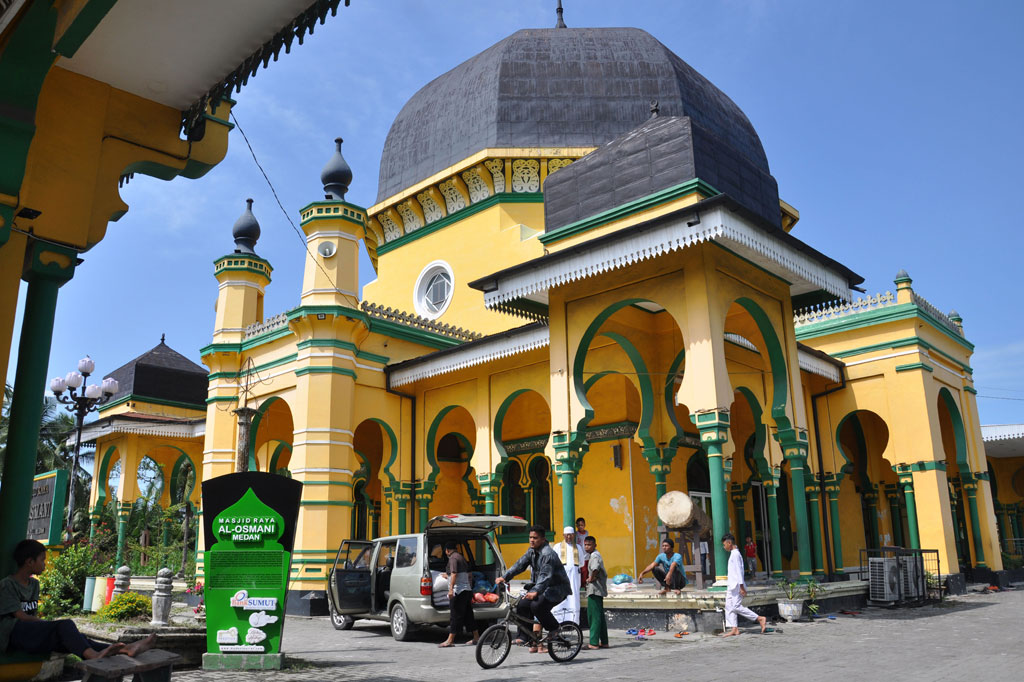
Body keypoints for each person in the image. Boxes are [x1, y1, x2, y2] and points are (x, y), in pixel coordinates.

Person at [0, 540, 156, 660]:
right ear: (29, 562)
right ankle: (94, 656)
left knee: (76, 637)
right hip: (13, 634)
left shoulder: (34, 584)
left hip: (30, 632)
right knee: (65, 625)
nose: (45, 564)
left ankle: (125, 649)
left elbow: (31, 617)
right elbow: (21, 617)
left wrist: (46, 626)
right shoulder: (8, 584)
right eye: (42, 560)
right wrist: (47, 625)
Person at [495, 525, 571, 654]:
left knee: (537, 606)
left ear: (542, 539)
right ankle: (525, 637)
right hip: (542, 587)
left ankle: (554, 630)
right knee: (523, 604)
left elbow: (545, 576)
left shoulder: (548, 554)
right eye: (530, 537)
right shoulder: (531, 551)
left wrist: (535, 591)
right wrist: (504, 577)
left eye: (535, 538)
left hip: (556, 589)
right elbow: (519, 565)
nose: (531, 540)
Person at [721, 533, 767, 637]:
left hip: (737, 585)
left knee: (736, 606)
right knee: (729, 606)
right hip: (731, 585)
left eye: (724, 544)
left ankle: (759, 618)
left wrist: (741, 587)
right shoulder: (733, 554)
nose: (724, 547)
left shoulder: (736, 554)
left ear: (729, 543)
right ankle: (734, 628)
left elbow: (739, 571)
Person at [438, 541, 478, 648]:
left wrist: (451, 590)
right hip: (466, 590)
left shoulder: (452, 558)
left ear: (447, 550)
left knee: (455, 615)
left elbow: (454, 574)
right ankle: (476, 637)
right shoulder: (460, 557)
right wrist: (447, 576)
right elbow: (463, 574)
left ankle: (450, 640)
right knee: (468, 614)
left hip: (458, 591)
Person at [551, 526, 581, 624]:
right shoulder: (557, 546)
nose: (569, 537)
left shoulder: (578, 547)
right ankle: (559, 621)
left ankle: (573, 621)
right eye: (567, 535)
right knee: (561, 597)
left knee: (573, 596)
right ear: (563, 535)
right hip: (561, 576)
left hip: (574, 577)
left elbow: (582, 563)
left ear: (574, 535)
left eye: (571, 535)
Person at [582, 536, 608, 650]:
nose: (587, 547)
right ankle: (604, 641)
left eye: (589, 545)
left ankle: (593, 642)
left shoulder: (594, 556)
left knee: (594, 617)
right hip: (598, 589)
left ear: (594, 545)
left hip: (594, 589)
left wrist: (591, 578)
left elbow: (595, 568)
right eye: (585, 544)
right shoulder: (594, 555)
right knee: (600, 616)